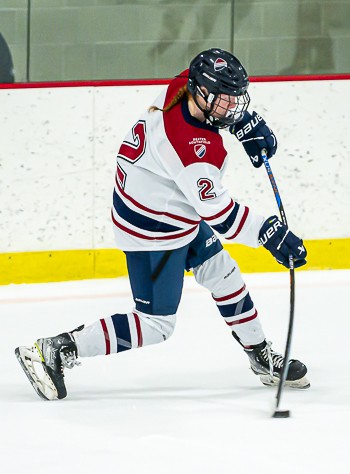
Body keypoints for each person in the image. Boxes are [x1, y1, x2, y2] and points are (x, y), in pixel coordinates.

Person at [15, 48, 309, 401]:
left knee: (223, 273)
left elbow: (213, 116)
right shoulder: (190, 148)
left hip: (163, 202)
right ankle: (58, 349)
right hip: (152, 228)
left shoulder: (184, 85)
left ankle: (260, 355)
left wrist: (242, 122)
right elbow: (222, 217)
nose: (231, 107)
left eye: (235, 100)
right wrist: (270, 232)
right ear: (202, 94)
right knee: (156, 324)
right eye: (225, 102)